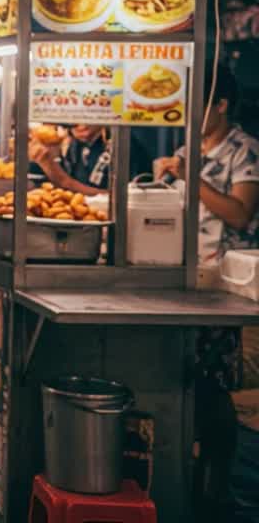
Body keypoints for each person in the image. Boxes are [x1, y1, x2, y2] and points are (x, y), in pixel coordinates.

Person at [152, 65, 259, 518]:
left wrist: (190, 178)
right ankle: (190, 475)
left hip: (224, 287)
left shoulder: (245, 150)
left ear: (221, 105)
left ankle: (219, 485)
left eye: (195, 105)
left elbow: (239, 213)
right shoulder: (186, 150)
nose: (187, 114)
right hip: (183, 279)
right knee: (187, 378)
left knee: (215, 385)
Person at [30, 124, 151, 196]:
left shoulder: (122, 143)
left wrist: (61, 178)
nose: (80, 125)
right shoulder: (73, 144)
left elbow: (124, 199)